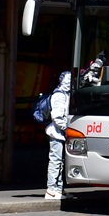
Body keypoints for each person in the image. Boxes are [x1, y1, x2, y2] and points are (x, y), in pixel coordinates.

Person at [44, 70, 72, 200]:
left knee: (61, 162)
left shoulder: (66, 94)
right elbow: (57, 117)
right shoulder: (59, 95)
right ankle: (51, 189)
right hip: (57, 134)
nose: (69, 82)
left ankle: (59, 189)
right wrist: (66, 128)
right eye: (68, 80)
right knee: (55, 161)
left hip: (62, 134)